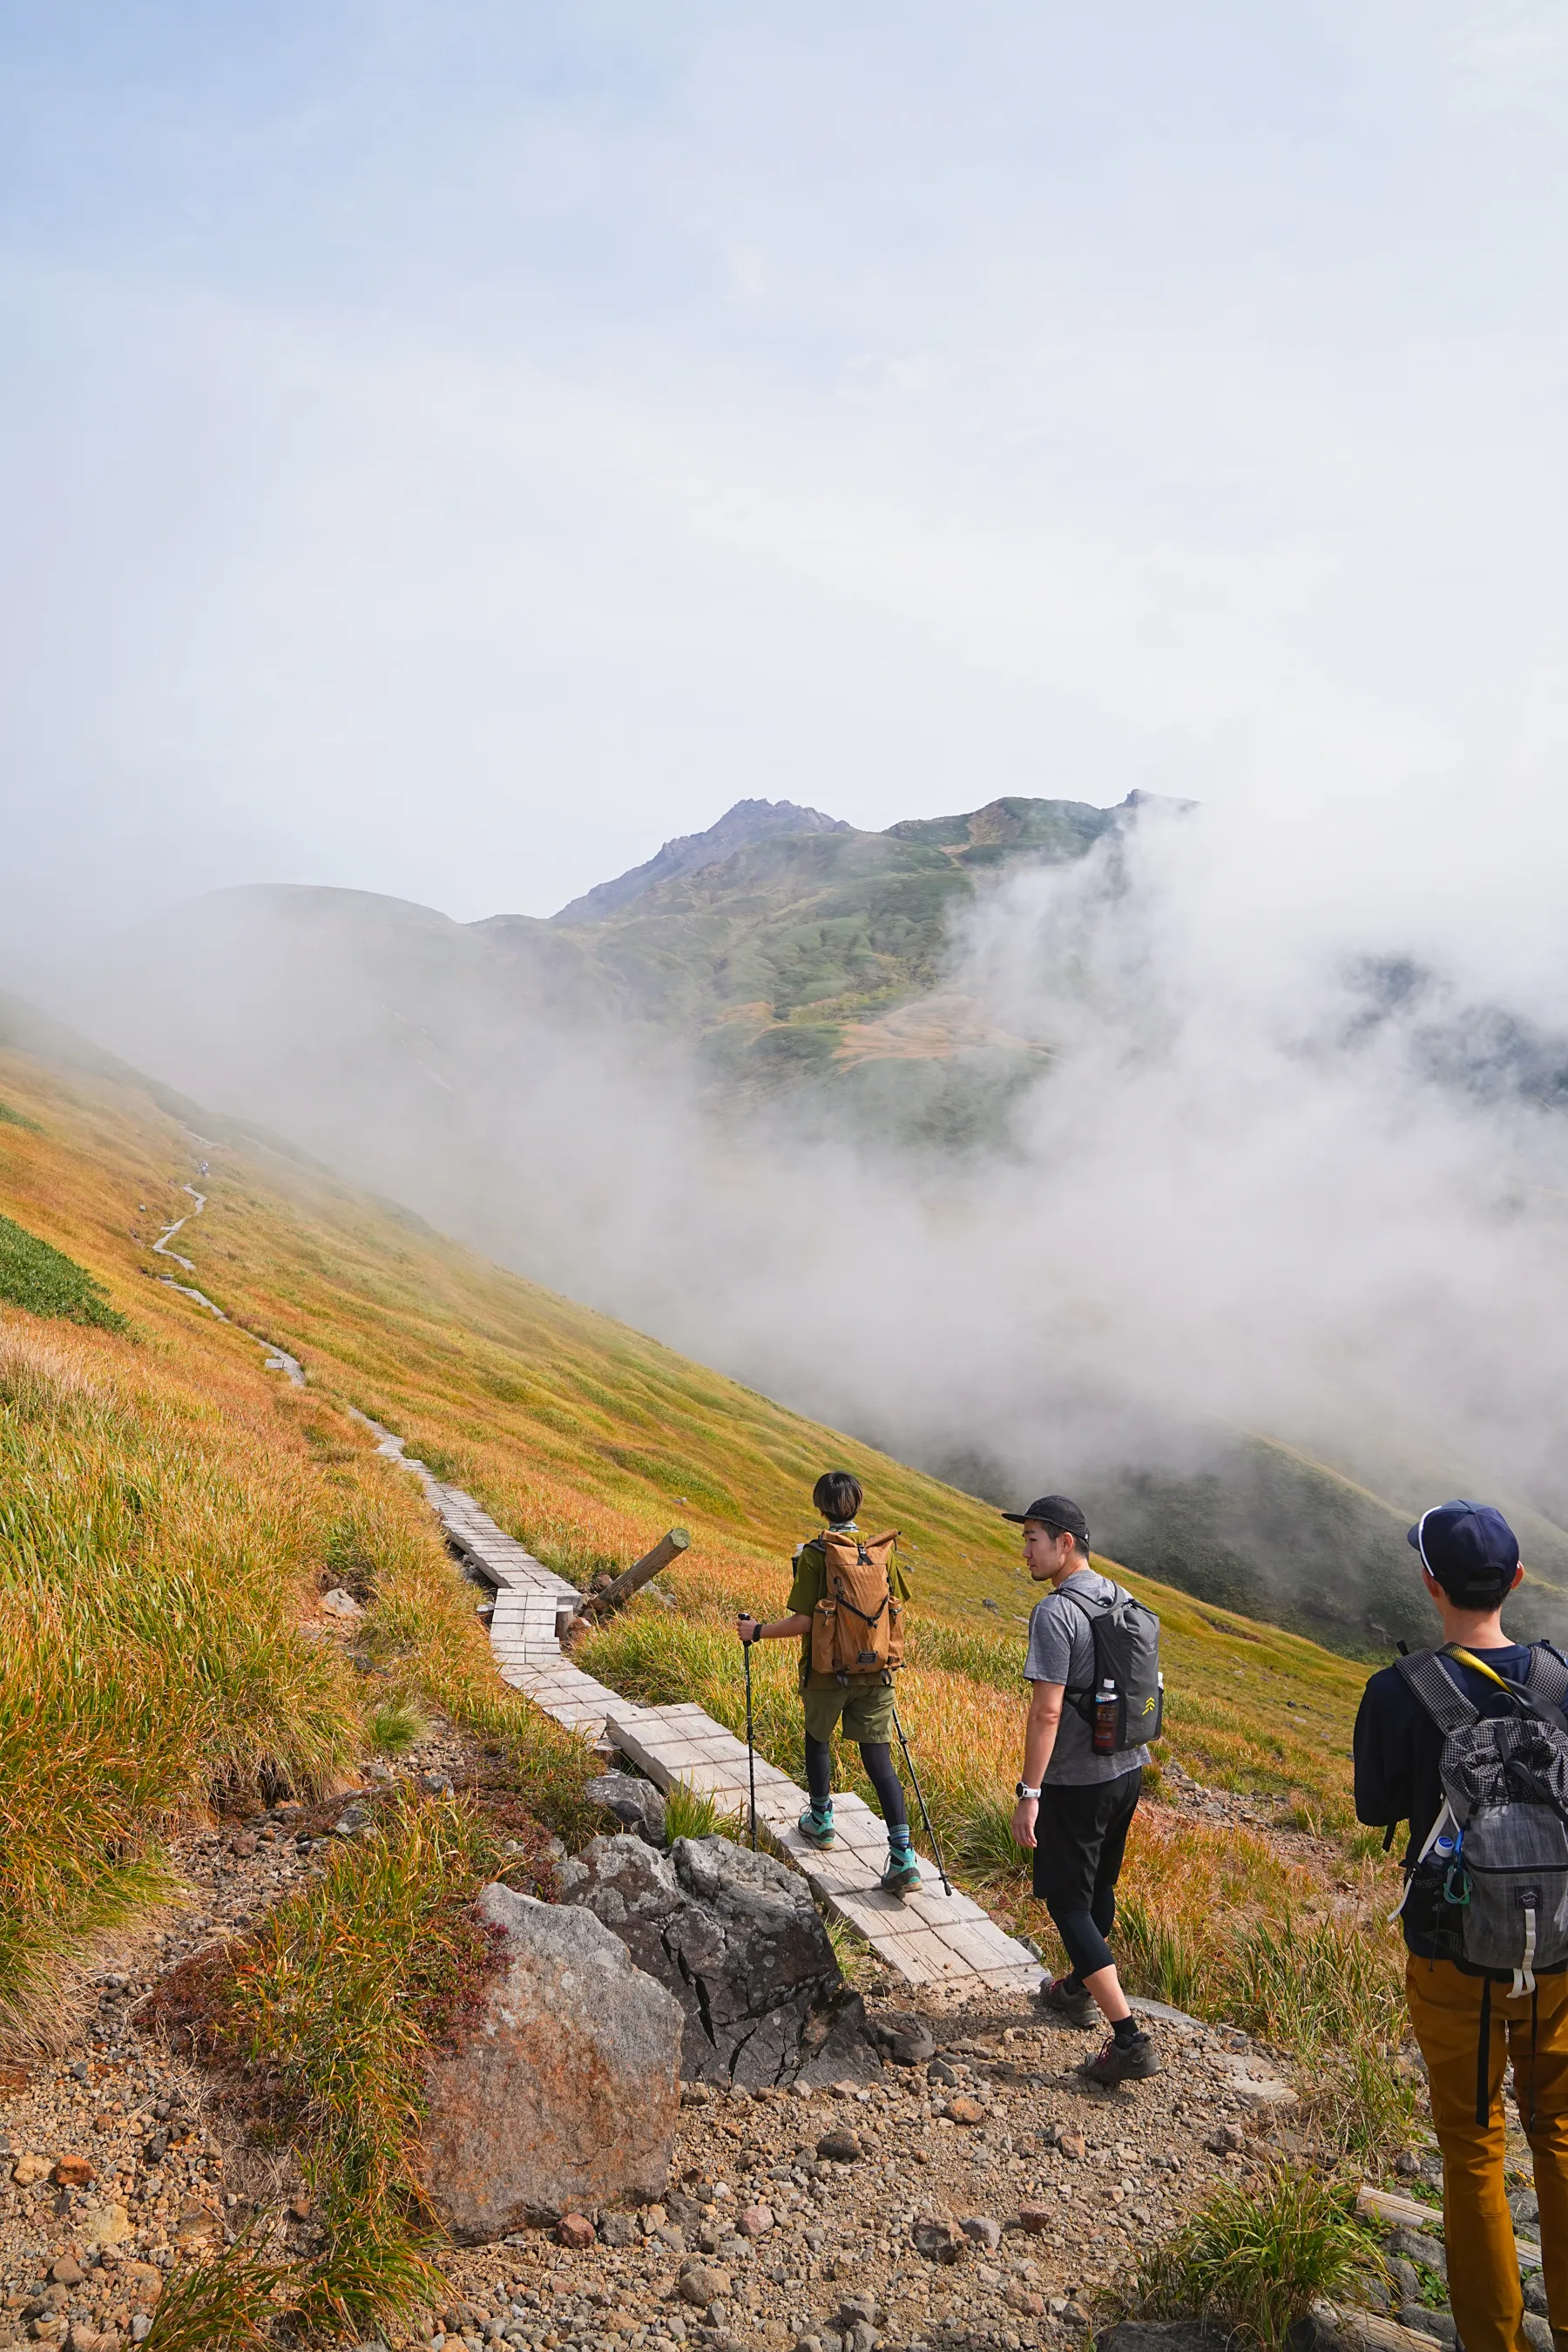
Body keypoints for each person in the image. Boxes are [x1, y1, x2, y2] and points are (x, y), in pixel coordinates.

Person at [1355, 1500, 1568, 2352]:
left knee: (1474, 2146)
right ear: (1516, 1580)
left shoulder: (1399, 1691)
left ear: (1428, 1584)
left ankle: (1493, 2341)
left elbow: (1375, 1808)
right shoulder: (1561, 1678)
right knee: (1558, 2131)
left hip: (1453, 1955)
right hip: (1557, 1944)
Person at [1008, 1493, 1159, 2086]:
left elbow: (1047, 1713)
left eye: (1033, 1540)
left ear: (1064, 1543)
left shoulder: (1055, 1613)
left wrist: (1030, 1791)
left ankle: (1128, 2039)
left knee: (1067, 1901)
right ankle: (1076, 1988)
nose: (1025, 1551)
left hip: (1077, 1779)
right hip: (1128, 1769)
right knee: (1099, 1886)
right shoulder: (1119, 1596)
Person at [736, 1469, 922, 1896]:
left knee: (818, 1740)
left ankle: (821, 1822)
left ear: (820, 1506)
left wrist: (758, 1631)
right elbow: (897, 1604)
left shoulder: (818, 1553)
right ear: (857, 1505)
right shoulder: (881, 1551)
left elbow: (804, 1620)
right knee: (880, 1762)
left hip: (827, 1672)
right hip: (877, 1672)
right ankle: (904, 1858)